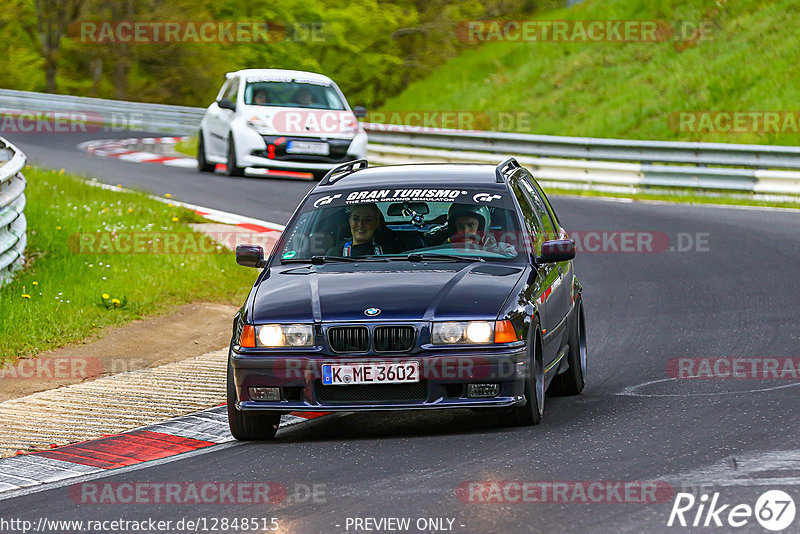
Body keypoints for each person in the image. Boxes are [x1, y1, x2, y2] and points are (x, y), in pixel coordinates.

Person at [432, 204, 516, 256]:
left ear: (481, 227)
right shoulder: (443, 250)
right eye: (460, 226)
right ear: (454, 228)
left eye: (471, 225)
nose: (465, 231)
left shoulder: (502, 250)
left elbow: (514, 259)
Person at [326, 203, 393, 257]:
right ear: (350, 222)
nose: (360, 224)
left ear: (376, 223)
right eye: (356, 219)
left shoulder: (389, 253)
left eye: (367, 220)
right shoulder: (334, 255)